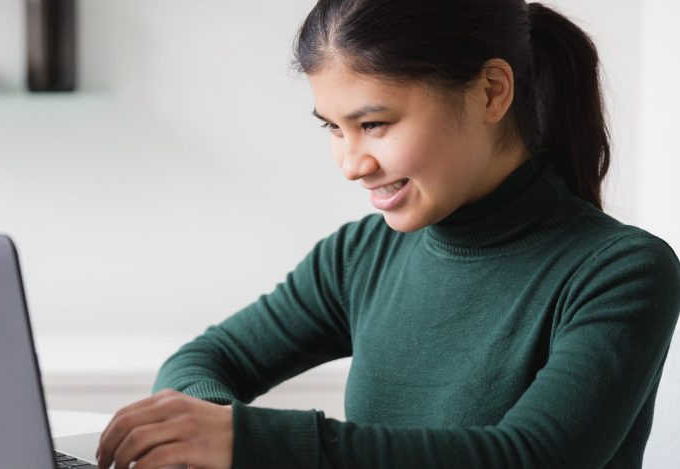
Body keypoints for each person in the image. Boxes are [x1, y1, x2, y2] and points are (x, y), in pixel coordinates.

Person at [95, 0, 680, 467]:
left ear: (491, 92)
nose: (352, 163)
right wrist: (206, 429)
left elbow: (533, 456)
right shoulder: (360, 255)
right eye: (334, 128)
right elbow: (205, 359)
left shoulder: (620, 270)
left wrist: (247, 442)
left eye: (374, 124)